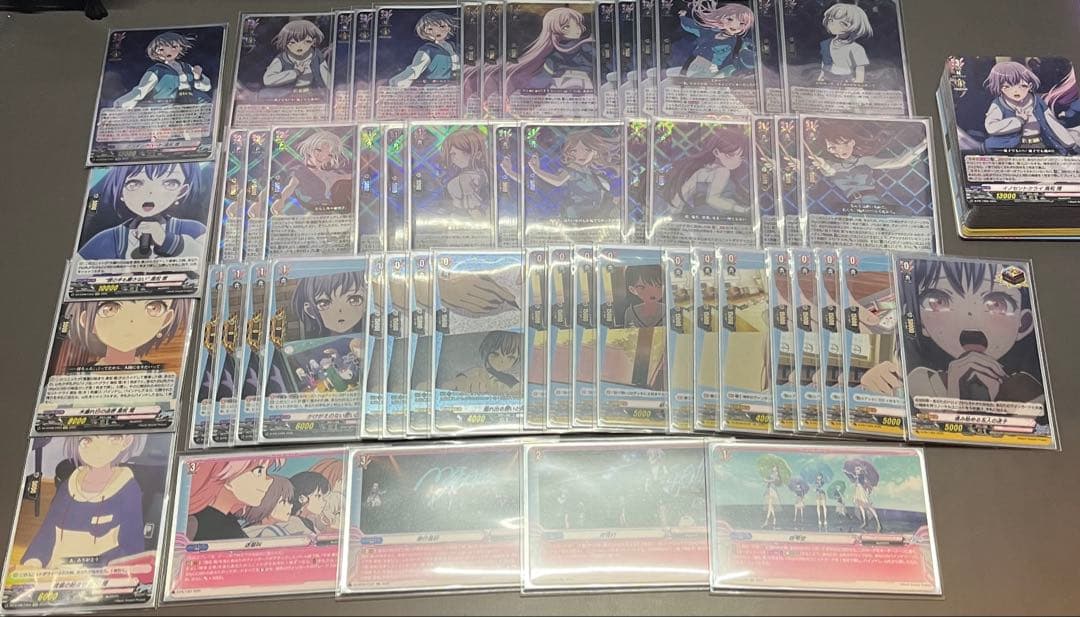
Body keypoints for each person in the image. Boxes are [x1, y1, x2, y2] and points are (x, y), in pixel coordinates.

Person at [905, 260, 1043, 405]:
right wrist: (954, 396)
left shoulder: (1030, 392)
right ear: (921, 322)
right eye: (939, 301)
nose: (970, 322)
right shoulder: (924, 383)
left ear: (1024, 323)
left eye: (997, 304)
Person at [21, 436, 147, 569]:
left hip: (100, 575)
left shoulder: (127, 489)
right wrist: (33, 561)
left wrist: (88, 568)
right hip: (54, 573)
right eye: (87, 440)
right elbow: (47, 533)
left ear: (126, 441)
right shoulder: (68, 486)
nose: (98, 449)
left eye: (111, 439)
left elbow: (132, 549)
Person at [79, 163, 207, 261]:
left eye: (169, 183)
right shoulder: (109, 238)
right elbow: (78, 271)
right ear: (120, 191)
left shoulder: (193, 229)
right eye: (134, 183)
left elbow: (205, 263)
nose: (150, 193)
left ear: (182, 191)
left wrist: (167, 240)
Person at [805, 120, 927, 206]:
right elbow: (829, 171)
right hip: (853, 207)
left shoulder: (865, 160)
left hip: (874, 204)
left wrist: (923, 145)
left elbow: (898, 162)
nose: (839, 150)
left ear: (852, 142)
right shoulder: (831, 165)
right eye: (831, 148)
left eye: (843, 143)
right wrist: (823, 165)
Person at [983, 60, 1080, 154]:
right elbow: (991, 127)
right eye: (1007, 87)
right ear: (1000, 88)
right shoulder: (999, 104)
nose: (1016, 91)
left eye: (1022, 86)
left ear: (1029, 85)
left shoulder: (1037, 101)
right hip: (1012, 149)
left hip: (1040, 146)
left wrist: (1070, 144)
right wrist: (1019, 121)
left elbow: (1052, 122)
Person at [63, 298, 191, 368]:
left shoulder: (160, 377)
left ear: (166, 320)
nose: (131, 320)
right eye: (109, 308)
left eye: (154, 308)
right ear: (86, 321)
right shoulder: (78, 377)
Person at [528, 128, 621, 219]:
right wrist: (536, 170)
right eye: (574, 151)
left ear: (595, 152)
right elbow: (558, 180)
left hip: (593, 212)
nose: (581, 155)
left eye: (587, 150)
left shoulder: (591, 171)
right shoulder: (573, 166)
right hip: (576, 212)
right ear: (569, 152)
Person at [186, 457, 283, 541]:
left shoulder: (227, 522)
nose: (270, 480)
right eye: (259, 472)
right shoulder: (216, 527)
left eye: (266, 472)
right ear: (225, 474)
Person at [504, 7, 596, 94]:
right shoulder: (553, 56)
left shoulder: (586, 48)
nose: (577, 28)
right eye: (566, 27)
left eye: (578, 24)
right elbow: (540, 81)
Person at [663, 127, 747, 216]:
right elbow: (713, 199)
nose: (737, 160)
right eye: (731, 155)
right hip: (715, 216)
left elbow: (678, 200)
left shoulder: (701, 171)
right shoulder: (723, 171)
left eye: (740, 156)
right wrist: (741, 209)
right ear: (716, 152)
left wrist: (672, 216)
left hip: (700, 215)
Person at [114, 31, 212, 108]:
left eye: (174, 47)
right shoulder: (156, 71)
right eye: (161, 49)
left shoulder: (187, 67)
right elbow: (140, 91)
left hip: (192, 105)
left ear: (180, 48)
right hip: (167, 108)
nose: (168, 52)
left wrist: (198, 77)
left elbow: (206, 87)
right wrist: (120, 104)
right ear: (155, 52)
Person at [271, 130, 353, 215]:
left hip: (330, 212)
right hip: (311, 212)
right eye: (319, 150)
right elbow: (291, 186)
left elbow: (351, 177)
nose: (323, 156)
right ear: (309, 148)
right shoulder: (300, 170)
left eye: (329, 155)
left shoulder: (329, 174)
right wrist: (280, 200)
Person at [672, 1, 755, 78]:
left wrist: (720, 67)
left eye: (742, 23)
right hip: (692, 65)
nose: (735, 25)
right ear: (721, 18)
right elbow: (692, 26)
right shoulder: (709, 32)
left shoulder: (738, 42)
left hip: (713, 71)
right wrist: (682, 17)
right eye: (730, 19)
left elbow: (742, 57)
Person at [390, 11, 461, 87]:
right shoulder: (427, 50)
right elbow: (415, 70)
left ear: (449, 28)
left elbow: (459, 67)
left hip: (451, 87)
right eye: (430, 29)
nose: (437, 31)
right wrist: (398, 82)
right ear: (425, 32)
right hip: (432, 88)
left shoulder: (454, 47)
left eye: (442, 26)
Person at [263, 19, 331, 93]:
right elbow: (267, 80)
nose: (299, 46)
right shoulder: (282, 59)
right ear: (285, 42)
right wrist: (295, 72)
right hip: (286, 95)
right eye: (292, 42)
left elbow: (326, 76)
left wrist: (333, 90)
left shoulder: (316, 55)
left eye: (306, 41)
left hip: (314, 93)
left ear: (313, 41)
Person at [816, 3, 872, 84]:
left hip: (847, 81)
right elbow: (824, 65)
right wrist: (820, 78)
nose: (833, 25)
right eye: (831, 20)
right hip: (829, 81)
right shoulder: (827, 44)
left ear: (854, 26)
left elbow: (860, 71)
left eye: (843, 23)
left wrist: (857, 84)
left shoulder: (856, 49)